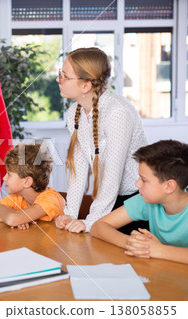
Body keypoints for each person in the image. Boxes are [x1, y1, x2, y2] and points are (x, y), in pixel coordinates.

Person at [55, 47, 148, 233]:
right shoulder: (75, 112)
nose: (59, 79)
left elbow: (112, 177)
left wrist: (91, 222)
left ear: (85, 86)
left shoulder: (117, 112)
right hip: (108, 201)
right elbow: (78, 169)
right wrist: (70, 213)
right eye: (60, 74)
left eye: (65, 75)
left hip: (138, 201)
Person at [91, 140, 188, 264]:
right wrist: (132, 243)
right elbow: (98, 226)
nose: (137, 184)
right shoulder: (146, 200)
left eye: (143, 179)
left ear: (169, 186)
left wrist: (159, 250)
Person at [0, 143, 65, 229]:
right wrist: (13, 219)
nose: (4, 178)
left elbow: (12, 219)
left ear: (27, 181)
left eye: (9, 174)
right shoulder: (19, 198)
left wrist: (1, 207)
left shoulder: (51, 199)